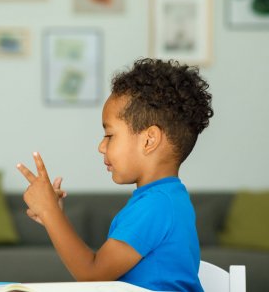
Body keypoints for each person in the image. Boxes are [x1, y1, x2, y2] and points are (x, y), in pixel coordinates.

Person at [17, 58, 213, 291]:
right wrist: (52, 216)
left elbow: (92, 275)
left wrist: (51, 213)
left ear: (149, 140)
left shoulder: (156, 205)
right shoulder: (165, 199)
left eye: (109, 135)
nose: (101, 146)